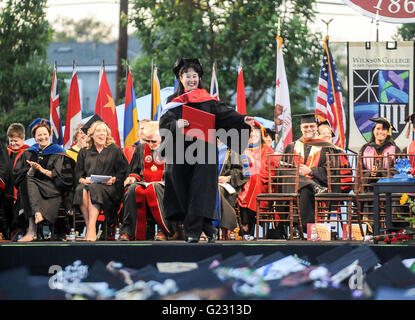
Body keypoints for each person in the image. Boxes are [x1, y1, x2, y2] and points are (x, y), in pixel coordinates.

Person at [159, 58, 255, 243]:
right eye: (188, 76)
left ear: (199, 78)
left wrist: (243, 120)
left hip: (204, 153)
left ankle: (193, 232)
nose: (192, 79)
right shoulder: (172, 102)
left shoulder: (208, 100)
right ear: (180, 78)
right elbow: (164, 125)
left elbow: (227, 116)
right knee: (184, 191)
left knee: (201, 190)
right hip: (181, 154)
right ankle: (207, 228)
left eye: (195, 76)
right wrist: (177, 124)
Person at [13, 119, 76, 242]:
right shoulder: (29, 153)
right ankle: (36, 217)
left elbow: (65, 179)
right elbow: (19, 178)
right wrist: (31, 170)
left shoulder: (59, 152)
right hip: (32, 187)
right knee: (27, 182)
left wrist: (42, 170)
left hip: (51, 188)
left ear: (49, 134)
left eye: (44, 134)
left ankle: (32, 231)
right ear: (35, 138)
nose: (42, 137)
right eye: (39, 135)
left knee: (27, 185)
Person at [119, 121, 181, 241]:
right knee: (132, 189)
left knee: (156, 188)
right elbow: (135, 171)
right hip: (144, 184)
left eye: (154, 141)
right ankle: (128, 231)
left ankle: (164, 230)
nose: (150, 144)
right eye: (147, 141)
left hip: (166, 186)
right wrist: (132, 177)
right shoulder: (140, 149)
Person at [73, 115, 128, 241]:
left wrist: (113, 179)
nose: (102, 134)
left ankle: (91, 229)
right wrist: (82, 180)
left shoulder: (114, 149)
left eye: (104, 131)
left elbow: (123, 171)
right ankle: (90, 226)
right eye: (98, 131)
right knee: (81, 189)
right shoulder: (84, 151)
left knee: (92, 189)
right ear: (91, 134)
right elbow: (79, 174)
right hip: (89, 185)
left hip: (110, 188)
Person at [283, 113, 338, 233]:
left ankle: (299, 227)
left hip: (318, 182)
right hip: (292, 184)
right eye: (306, 126)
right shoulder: (291, 147)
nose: (309, 129)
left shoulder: (326, 147)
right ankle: (307, 229)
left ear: (316, 127)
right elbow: (282, 170)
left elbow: (331, 171)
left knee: (305, 189)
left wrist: (311, 171)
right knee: (296, 178)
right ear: (301, 128)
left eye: (312, 126)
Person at [237, 124, 274, 240]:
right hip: (242, 181)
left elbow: (267, 169)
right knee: (242, 184)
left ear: (261, 135)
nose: (252, 134)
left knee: (253, 181)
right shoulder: (240, 148)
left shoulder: (266, 149)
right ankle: (246, 227)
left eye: (256, 132)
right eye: (250, 132)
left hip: (262, 183)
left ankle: (246, 226)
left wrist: (252, 165)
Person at [215, 139, 249, 238]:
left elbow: (244, 173)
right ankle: (202, 227)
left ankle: (226, 226)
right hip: (209, 183)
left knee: (217, 190)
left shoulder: (233, 150)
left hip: (229, 185)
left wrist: (228, 178)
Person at [1, 123, 30, 240]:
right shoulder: (5, 152)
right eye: (11, 141)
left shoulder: (28, 152)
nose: (13, 144)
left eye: (16, 141)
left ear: (23, 138)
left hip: (21, 189)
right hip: (6, 189)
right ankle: (5, 232)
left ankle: (20, 231)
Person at [359, 118, 401, 186]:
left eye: (384, 129)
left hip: (388, 190)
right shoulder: (365, 149)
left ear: (388, 132)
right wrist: (370, 173)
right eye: (378, 128)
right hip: (368, 190)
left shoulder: (395, 150)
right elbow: (359, 172)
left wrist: (380, 172)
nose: (380, 132)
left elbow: (398, 172)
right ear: (373, 131)